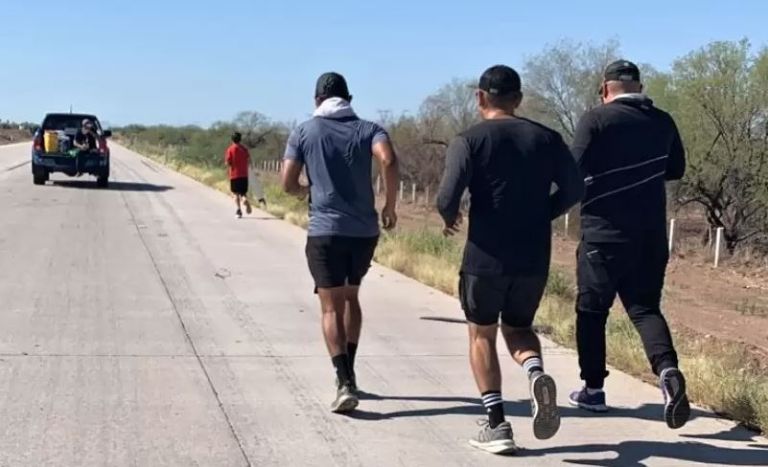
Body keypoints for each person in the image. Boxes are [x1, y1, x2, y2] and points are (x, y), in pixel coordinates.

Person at [437, 65, 584, 454]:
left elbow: (446, 197)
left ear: (480, 97)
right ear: (518, 99)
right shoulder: (548, 138)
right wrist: (542, 213)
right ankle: (535, 373)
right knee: (519, 328)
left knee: (481, 334)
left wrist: (450, 217)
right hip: (533, 256)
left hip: (485, 256)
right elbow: (574, 188)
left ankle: (497, 424)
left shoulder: (468, 140)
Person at [568, 60, 690, 430]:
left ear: (605, 89)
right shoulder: (663, 121)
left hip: (603, 234)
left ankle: (593, 390)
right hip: (650, 236)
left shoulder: (595, 120)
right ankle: (667, 371)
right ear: (639, 87)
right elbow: (676, 169)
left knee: (592, 311)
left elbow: (573, 169)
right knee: (645, 309)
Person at [281, 72, 399, 413]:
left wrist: (306, 190)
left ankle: (343, 380)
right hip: (363, 232)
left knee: (330, 306)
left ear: (317, 100)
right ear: (350, 99)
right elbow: (388, 160)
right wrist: (390, 206)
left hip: (325, 231)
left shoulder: (304, 131)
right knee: (351, 297)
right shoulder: (369, 129)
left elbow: (288, 183)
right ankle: (351, 373)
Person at [225, 132, 252, 218]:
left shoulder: (230, 149)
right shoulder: (244, 149)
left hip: (234, 175)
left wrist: (229, 166)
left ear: (232, 139)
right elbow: (249, 160)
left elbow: (228, 162)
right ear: (240, 139)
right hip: (244, 175)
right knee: (243, 193)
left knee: (235, 193)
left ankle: (238, 210)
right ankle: (244, 199)